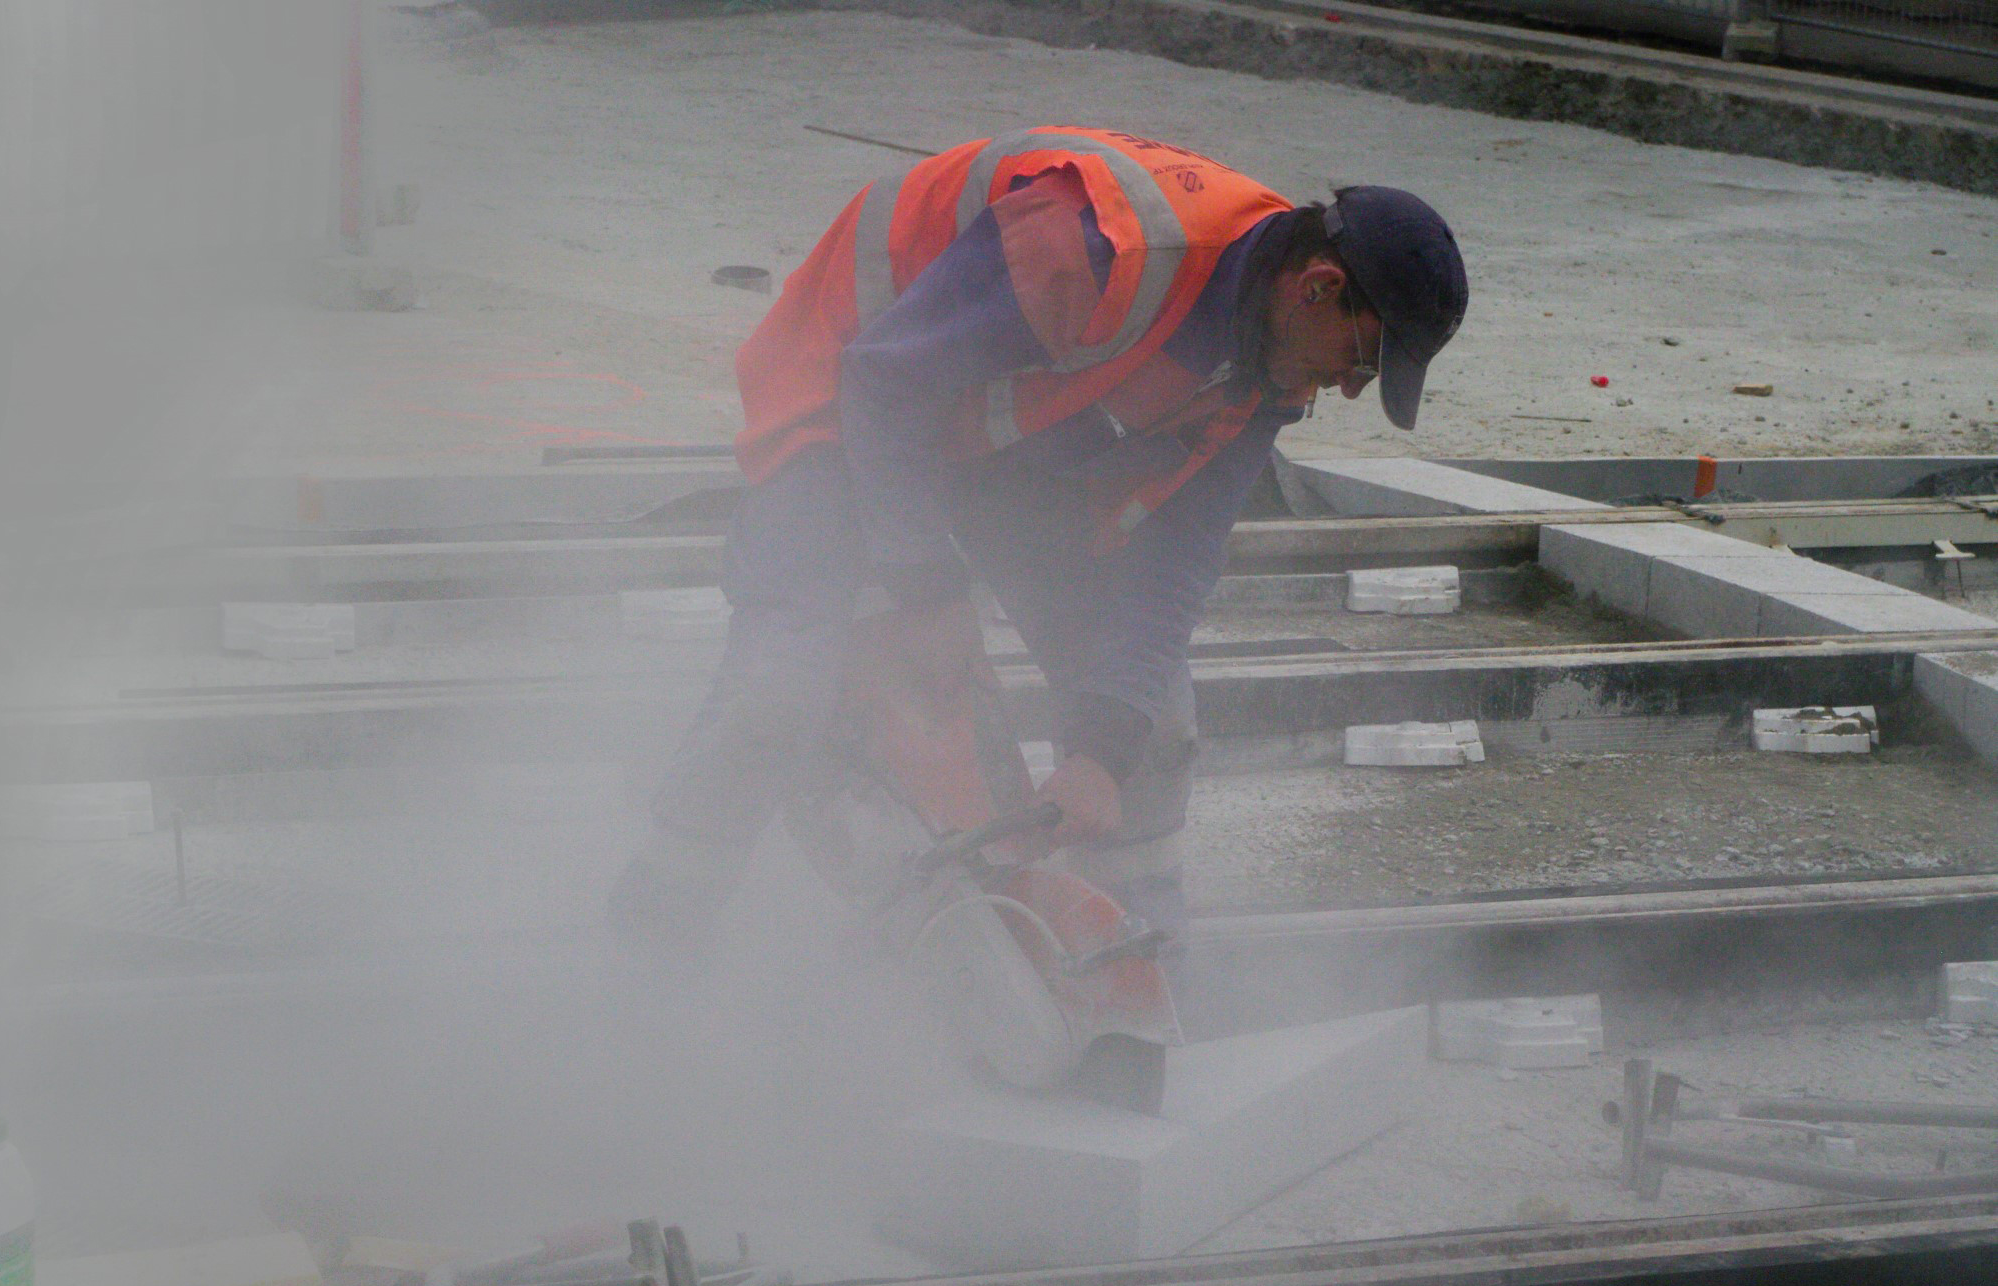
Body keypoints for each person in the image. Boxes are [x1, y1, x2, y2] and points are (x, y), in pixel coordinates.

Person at [611, 126, 1468, 982]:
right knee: (781, 684)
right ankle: (653, 932)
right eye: (1364, 359)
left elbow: (1178, 557)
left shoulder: (1273, 365)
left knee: (1151, 722)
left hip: (995, 441)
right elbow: (883, 380)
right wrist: (926, 589)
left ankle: (1137, 958)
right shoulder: (1104, 248)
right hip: (845, 391)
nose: (1352, 387)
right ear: (1319, 288)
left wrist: (1100, 753)